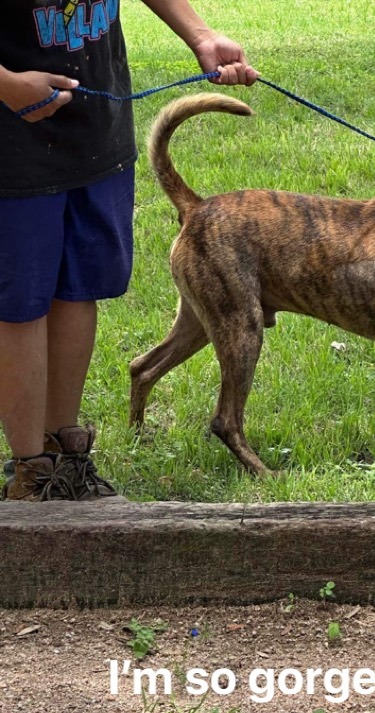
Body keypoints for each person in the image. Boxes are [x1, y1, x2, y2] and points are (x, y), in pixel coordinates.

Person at [0, 0, 258, 502]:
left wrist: (200, 36)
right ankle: (30, 474)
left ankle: (66, 459)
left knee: (78, 289)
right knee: (21, 303)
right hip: (13, 146)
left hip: (95, 131)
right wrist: (7, 85)